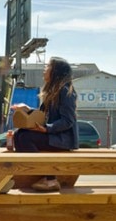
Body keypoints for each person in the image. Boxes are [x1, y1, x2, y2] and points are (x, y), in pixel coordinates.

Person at [12, 57, 79, 192]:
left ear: (56, 72)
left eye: (47, 66)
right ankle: (28, 174)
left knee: (25, 138)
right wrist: (27, 109)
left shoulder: (65, 91)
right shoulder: (52, 91)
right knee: (19, 134)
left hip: (63, 139)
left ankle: (50, 179)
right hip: (54, 135)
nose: (44, 69)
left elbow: (68, 121)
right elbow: (42, 116)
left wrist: (47, 129)